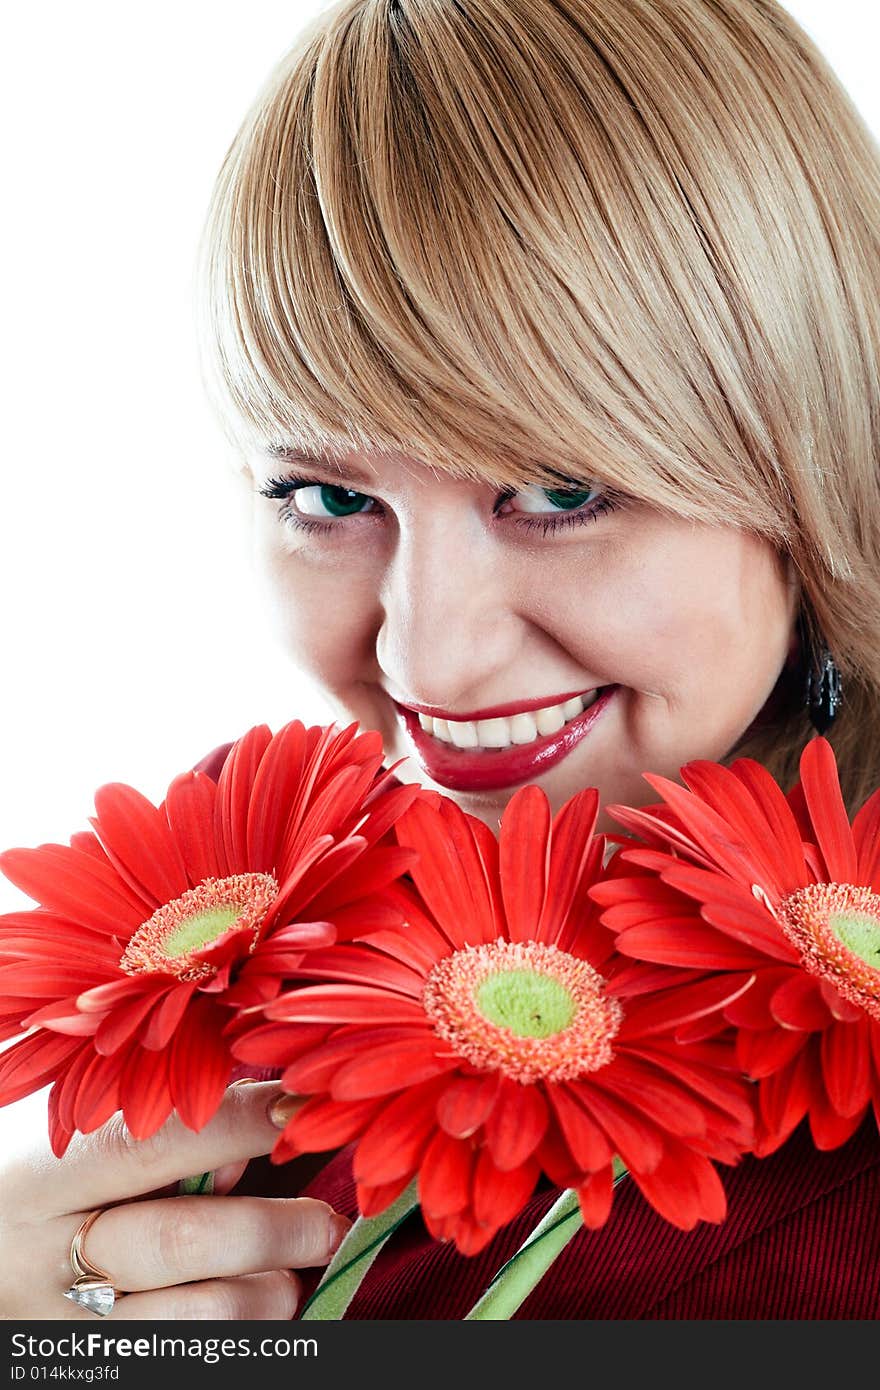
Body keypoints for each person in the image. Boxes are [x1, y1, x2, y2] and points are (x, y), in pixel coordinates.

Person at [2, 0, 880, 1320]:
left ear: (816, 456)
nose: (430, 655)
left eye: (559, 487)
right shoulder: (235, 926)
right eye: (330, 497)